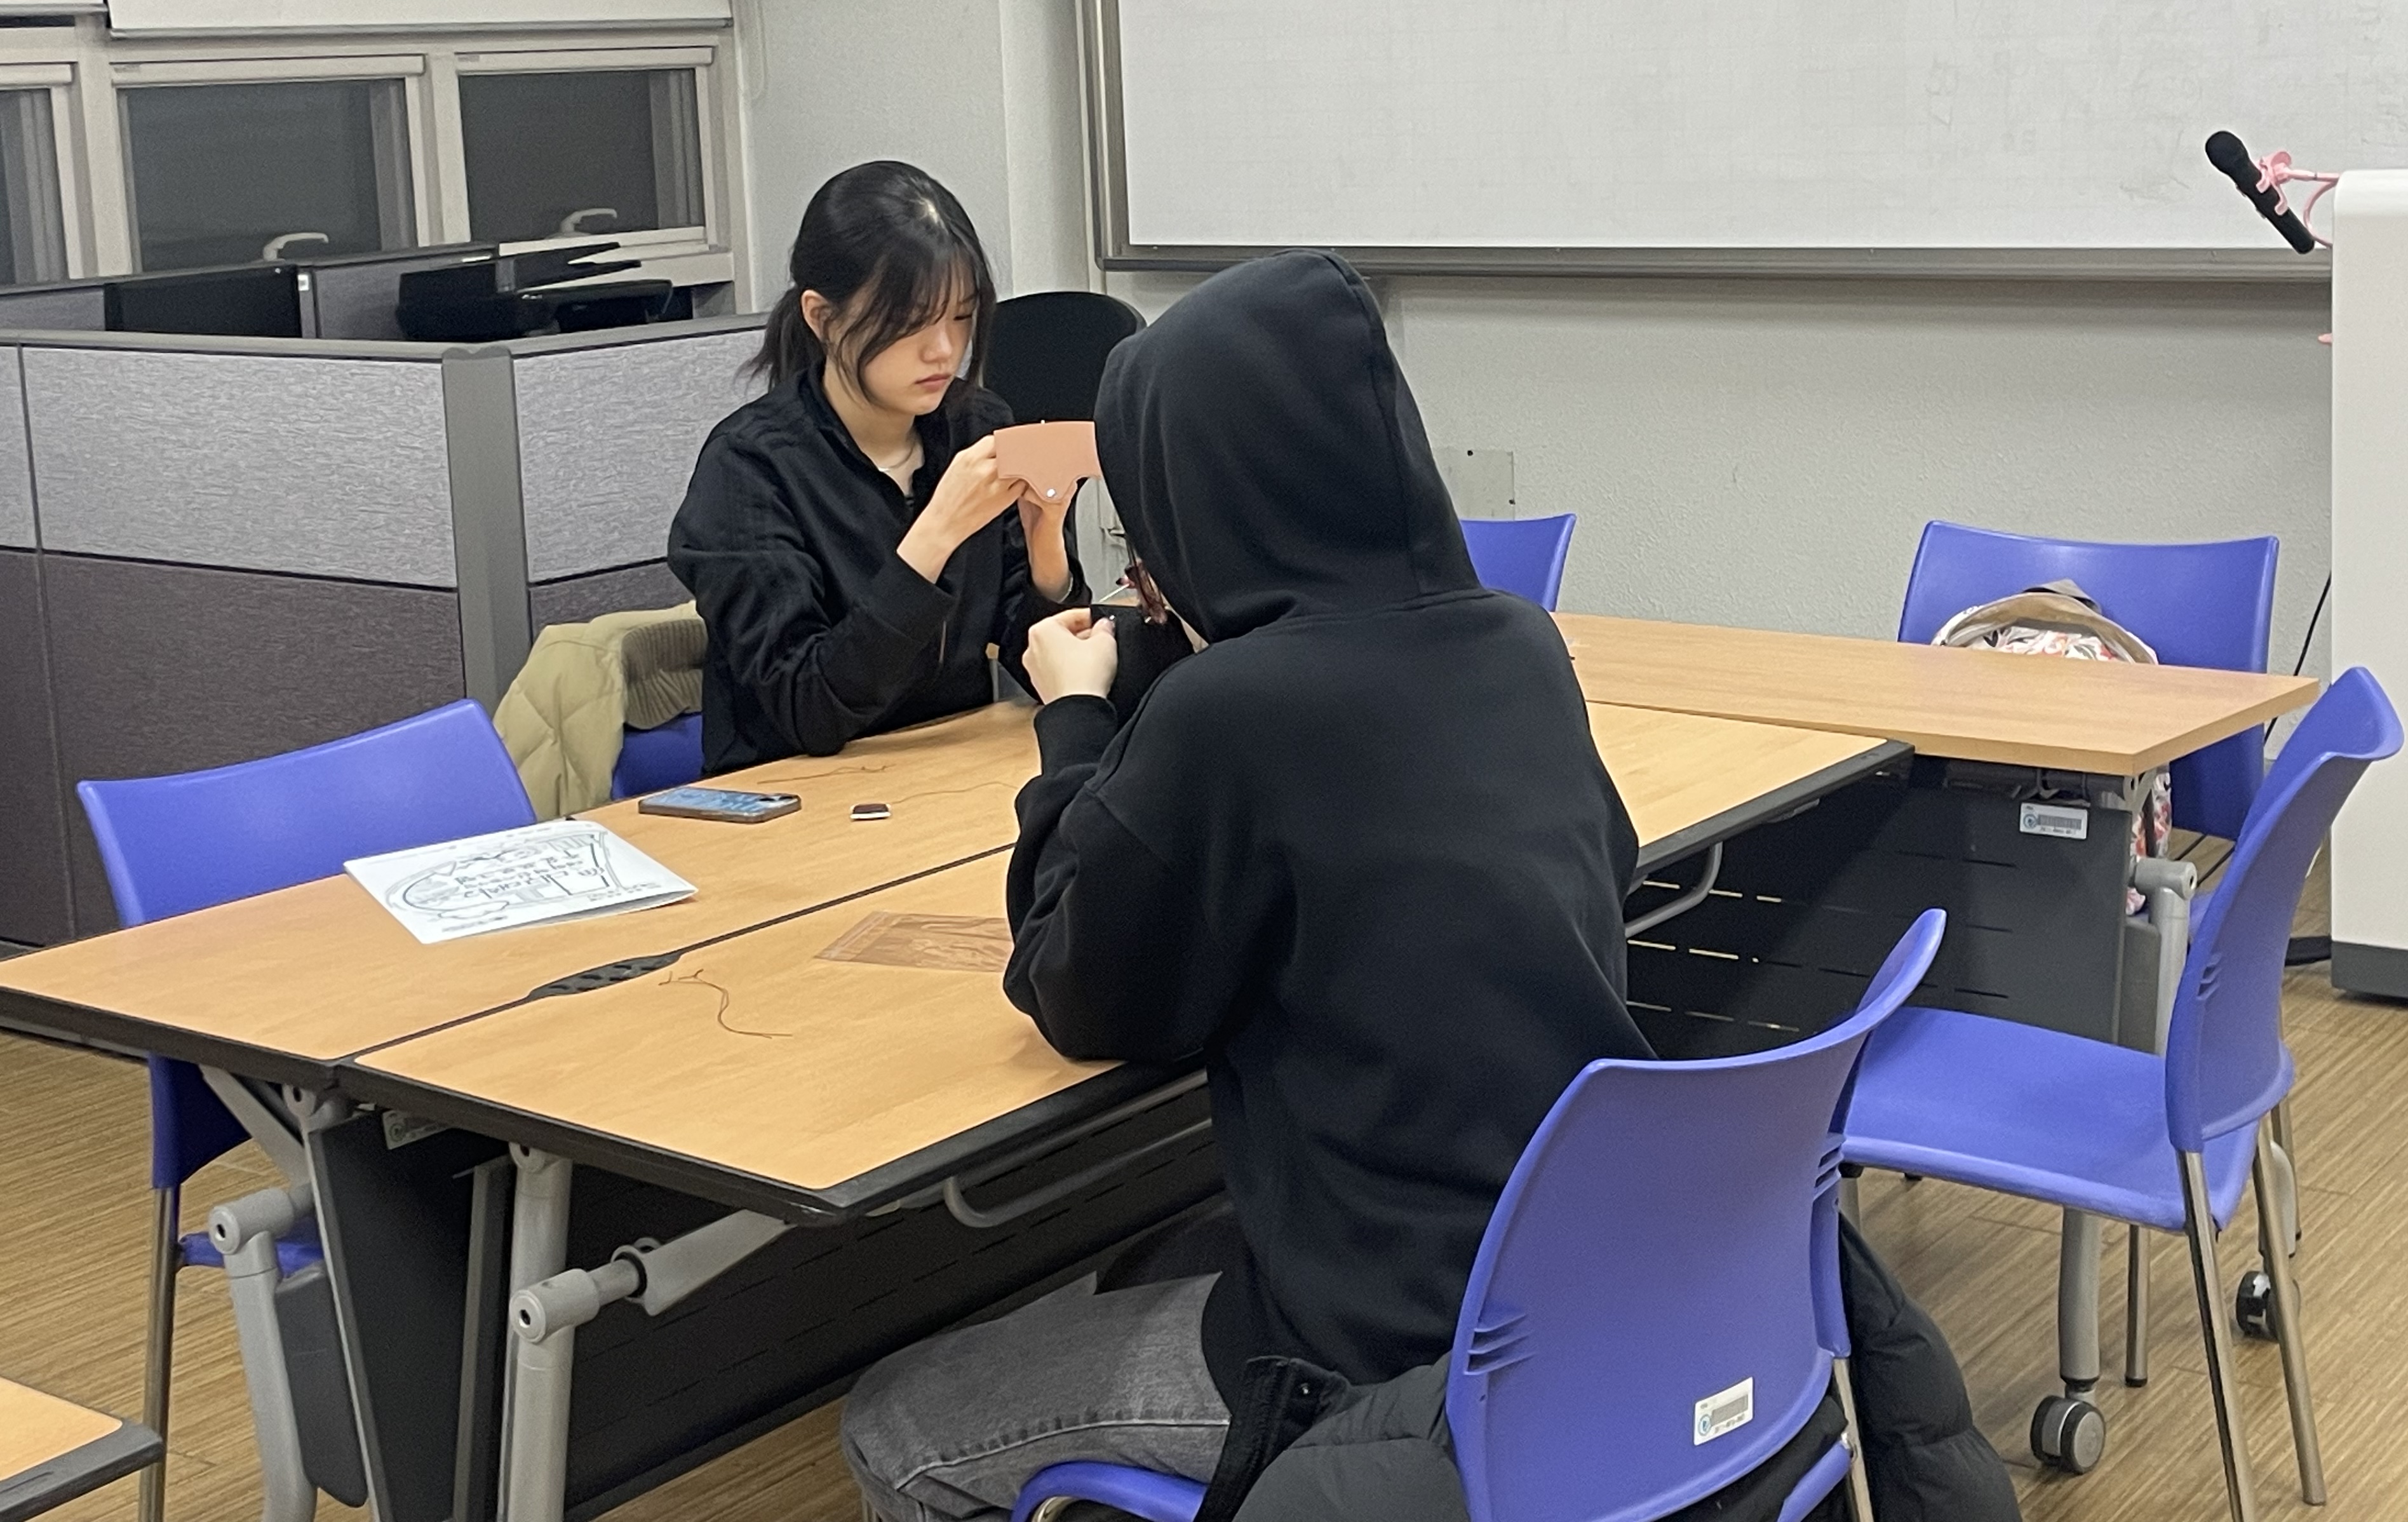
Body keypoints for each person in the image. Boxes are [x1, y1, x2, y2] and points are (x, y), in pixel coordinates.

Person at [838, 252, 2019, 1522]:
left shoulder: (1226, 716)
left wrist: (1075, 725)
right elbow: (1585, 857)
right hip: (1591, 1263)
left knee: (896, 1420)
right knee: (1155, 1258)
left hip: (1397, 1338)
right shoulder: (1517, 643)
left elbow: (1075, 987)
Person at [668, 162, 1077, 775]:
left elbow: (1040, 663)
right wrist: (935, 534)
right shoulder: (750, 468)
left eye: (961, 316)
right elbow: (808, 708)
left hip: (945, 774)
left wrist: (1047, 548)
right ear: (822, 318)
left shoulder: (976, 425)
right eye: (910, 322)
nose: (944, 349)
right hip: (796, 794)